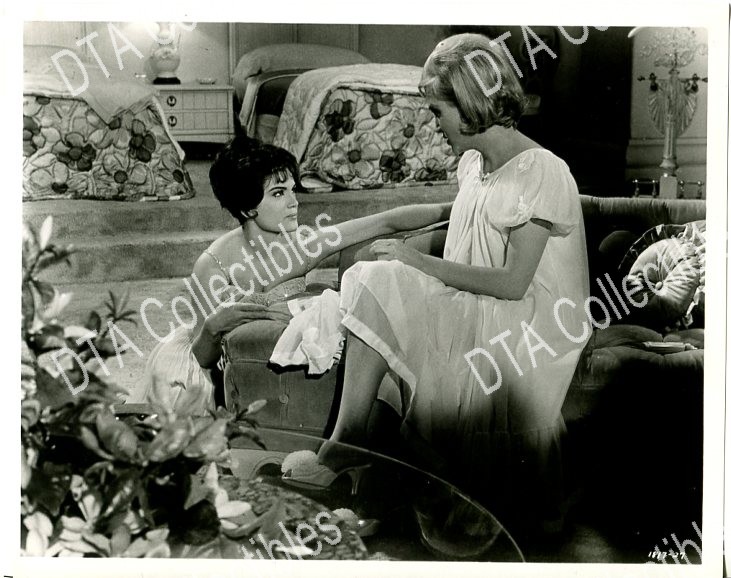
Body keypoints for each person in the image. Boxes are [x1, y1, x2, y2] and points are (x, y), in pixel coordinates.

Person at [287, 33, 591, 535]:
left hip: (530, 326)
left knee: (383, 280)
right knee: (375, 281)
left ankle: (349, 446)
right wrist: (343, 239)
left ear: (469, 105)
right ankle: (353, 452)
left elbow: (514, 284)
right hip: (481, 302)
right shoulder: (475, 163)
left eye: (437, 111)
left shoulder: (542, 170)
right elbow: (453, 223)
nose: (433, 124)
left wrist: (414, 261)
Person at [129, 136, 452, 415]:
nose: (294, 202)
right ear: (247, 208)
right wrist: (215, 327)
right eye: (278, 193)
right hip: (206, 377)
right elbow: (203, 358)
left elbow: (386, 221)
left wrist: (456, 208)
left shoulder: (301, 246)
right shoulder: (213, 265)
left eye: (292, 189)